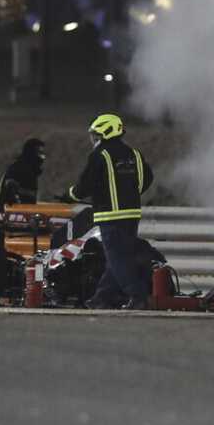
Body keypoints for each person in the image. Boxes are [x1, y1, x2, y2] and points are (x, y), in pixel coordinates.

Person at [66, 114, 153, 310]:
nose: (94, 139)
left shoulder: (100, 155)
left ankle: (138, 296)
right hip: (131, 215)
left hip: (110, 216)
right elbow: (147, 179)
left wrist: (71, 194)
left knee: (117, 258)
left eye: (96, 135)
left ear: (105, 132)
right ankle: (101, 297)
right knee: (118, 257)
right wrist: (130, 194)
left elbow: (85, 186)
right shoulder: (134, 154)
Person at [0, 138, 47, 211]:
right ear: (31, 153)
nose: (43, 157)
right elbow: (6, 195)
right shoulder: (19, 170)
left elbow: (28, 201)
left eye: (42, 153)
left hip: (15, 214)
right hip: (2, 215)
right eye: (39, 153)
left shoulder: (30, 171)